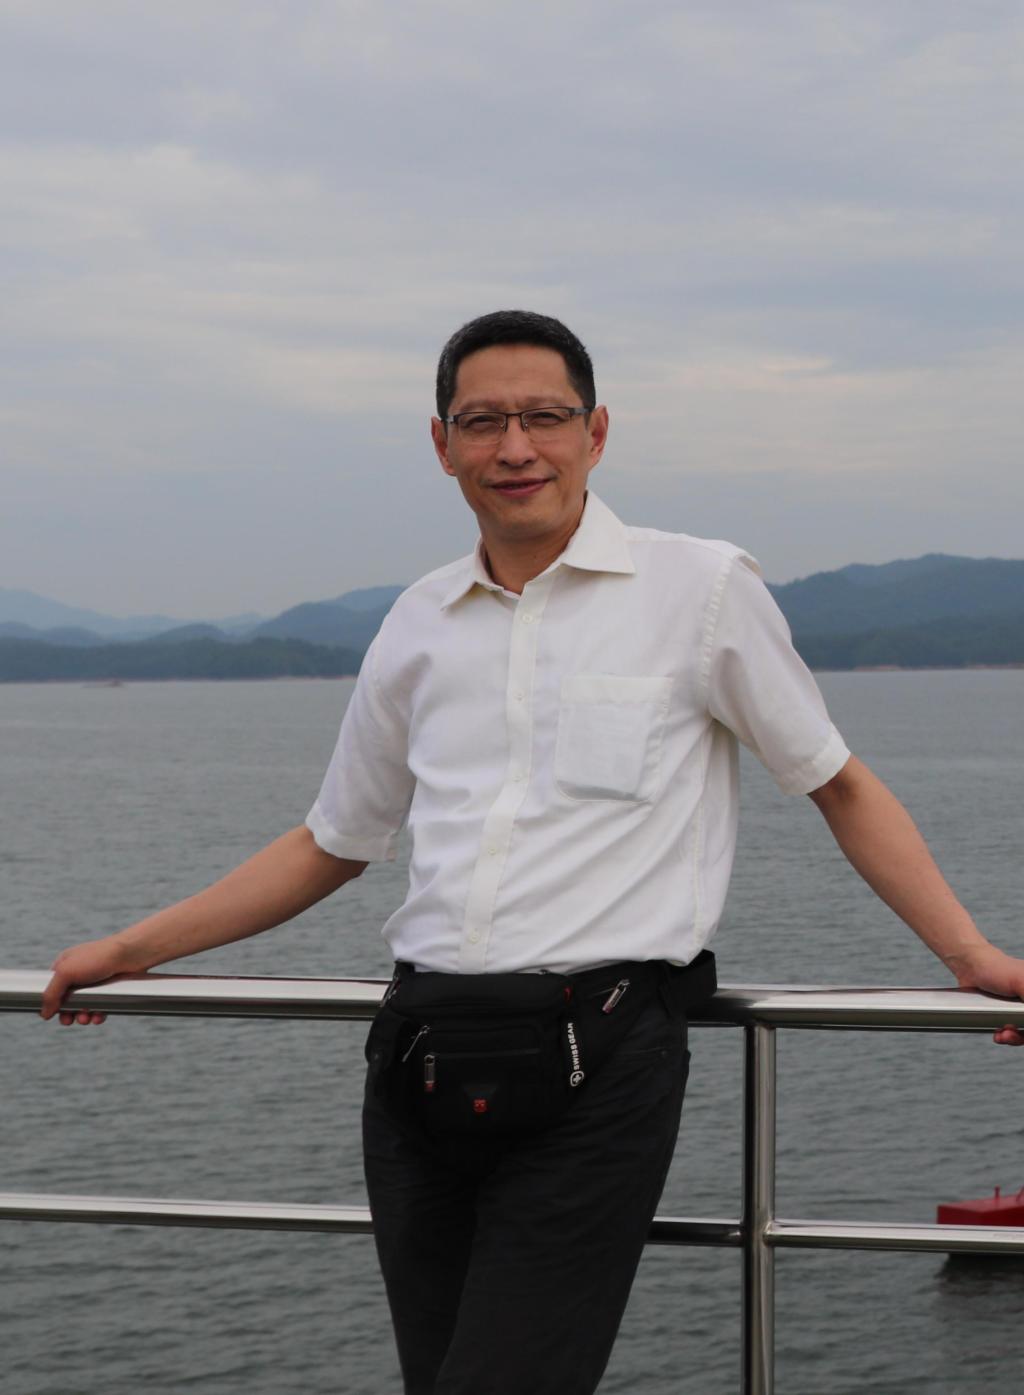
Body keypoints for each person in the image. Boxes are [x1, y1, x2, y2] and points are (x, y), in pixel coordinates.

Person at [42, 310, 1024, 1395]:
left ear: (595, 433)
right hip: (417, 1058)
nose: (516, 447)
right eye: (483, 422)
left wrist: (969, 955)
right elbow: (332, 842)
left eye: (544, 417)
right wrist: (131, 949)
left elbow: (836, 781)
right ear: (442, 444)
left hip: (600, 1054)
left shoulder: (698, 590)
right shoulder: (418, 619)